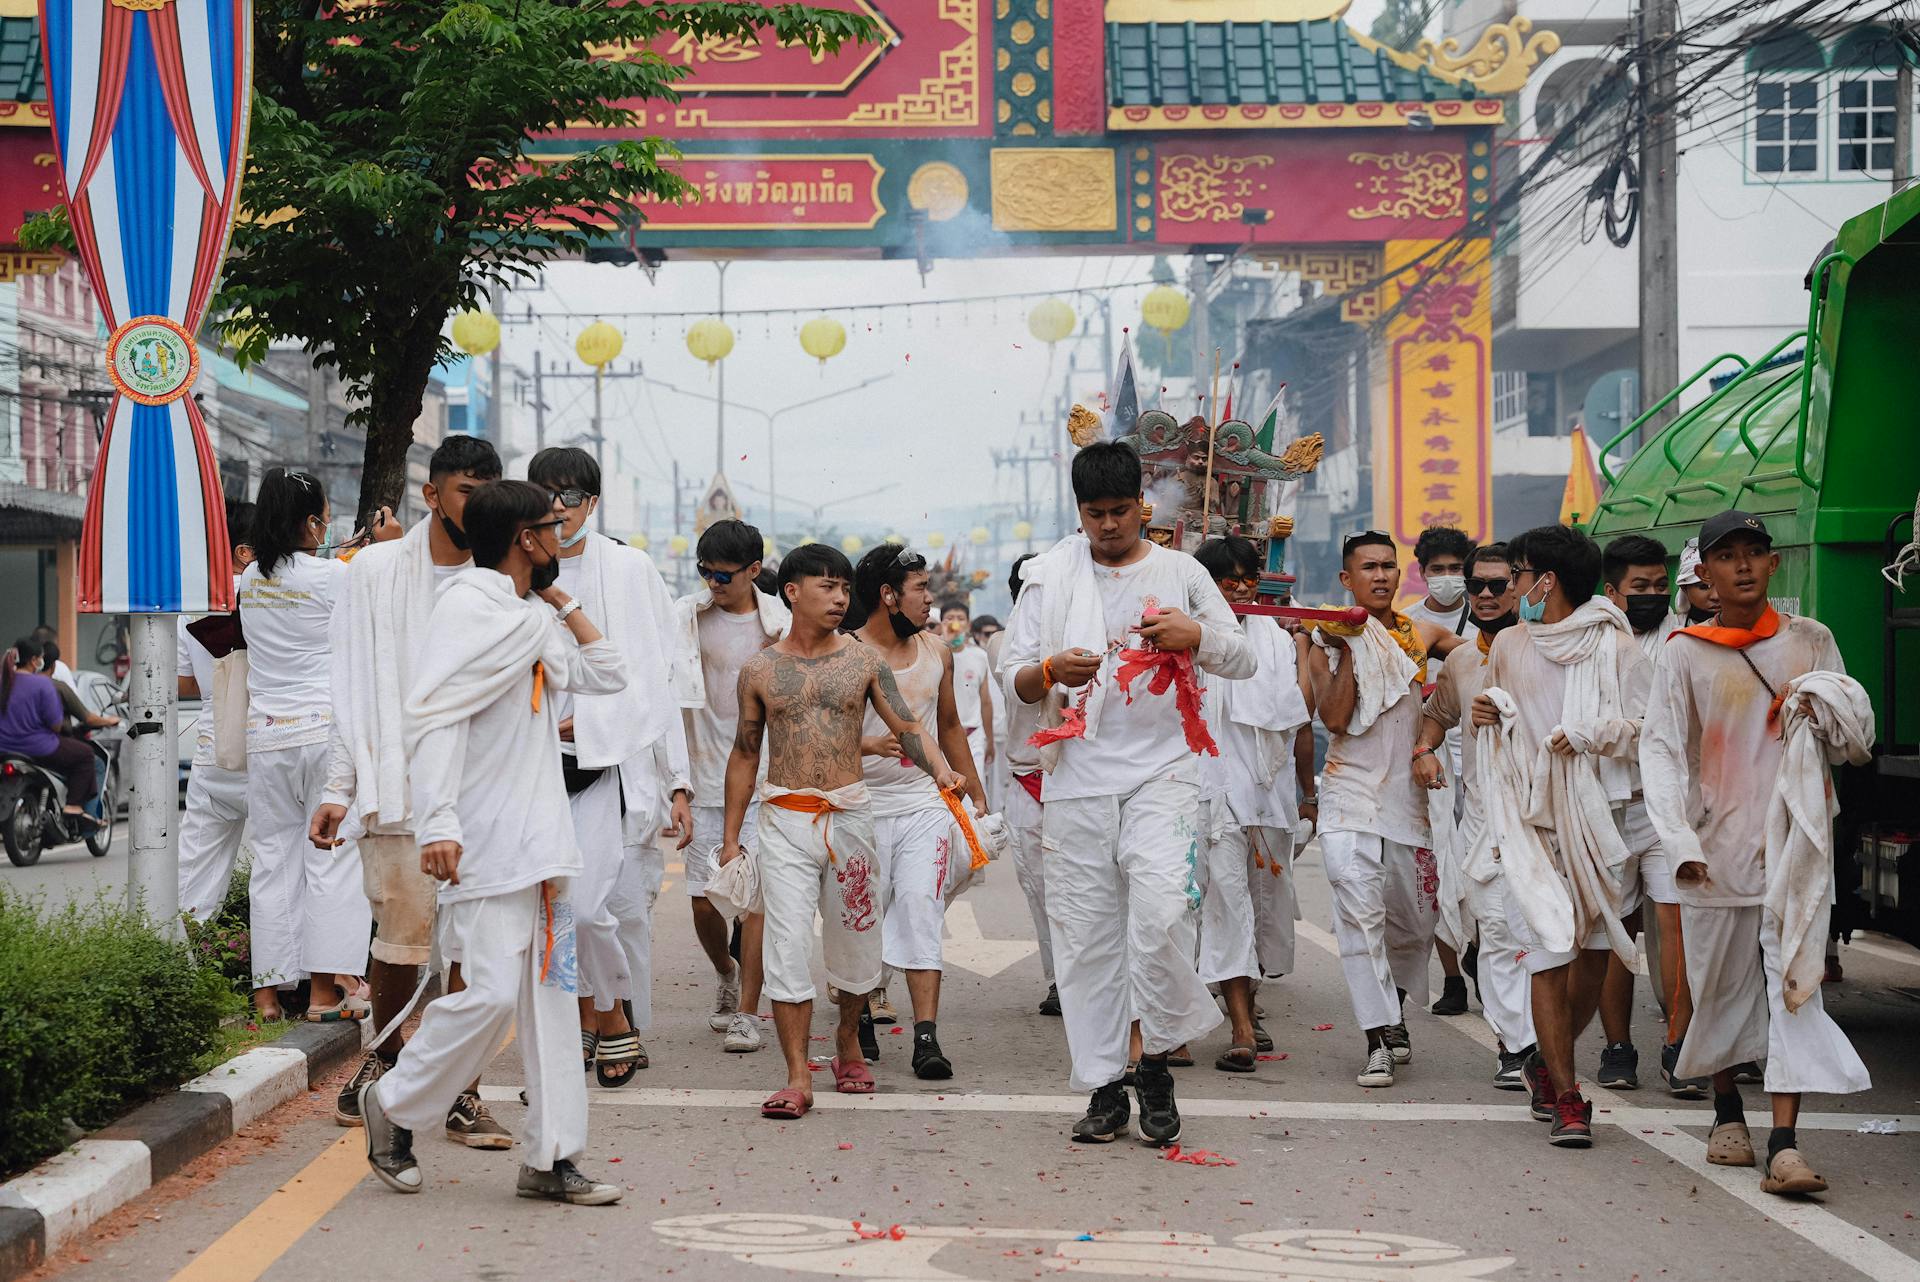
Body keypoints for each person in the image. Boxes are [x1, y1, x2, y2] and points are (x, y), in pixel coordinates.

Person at [359, 480, 628, 1205]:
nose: (563, 536)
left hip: (544, 846)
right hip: (481, 843)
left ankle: (551, 1157)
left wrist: (560, 605)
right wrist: (438, 821)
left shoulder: (525, 615)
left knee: (549, 1004)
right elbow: (437, 719)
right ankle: (392, 1105)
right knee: (485, 997)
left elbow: (608, 673)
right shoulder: (468, 612)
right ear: (525, 540)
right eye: (552, 527)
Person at [1003, 441, 1254, 1146]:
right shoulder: (1048, 578)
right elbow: (1015, 679)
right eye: (1094, 514)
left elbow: (1243, 654)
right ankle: (1109, 1086)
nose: (1107, 526)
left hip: (1164, 774)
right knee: (1086, 939)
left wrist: (1194, 633)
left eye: (1119, 512)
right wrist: (1050, 666)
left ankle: (1159, 1065)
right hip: (1077, 776)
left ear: (1140, 506)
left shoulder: (1182, 572)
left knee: (1163, 914)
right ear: (1078, 510)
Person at [1641, 510, 1871, 1197]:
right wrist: (1679, 839)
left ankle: (1786, 1144)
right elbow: (1658, 748)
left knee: (1793, 990)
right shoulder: (1684, 651)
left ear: (1774, 565)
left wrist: (1820, 711)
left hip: (1796, 848)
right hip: (1714, 853)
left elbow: (1853, 737)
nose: (1742, 566)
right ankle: (1726, 1112)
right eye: (1727, 556)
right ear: (1703, 574)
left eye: (1754, 553)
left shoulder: (1811, 641)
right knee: (1718, 989)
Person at [310, 437, 514, 1145]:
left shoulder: (502, 576)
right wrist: (340, 785)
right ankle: (389, 1058)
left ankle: (462, 1090)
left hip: (481, 789)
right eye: (466, 490)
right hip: (396, 786)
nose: (479, 504)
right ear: (432, 494)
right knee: (402, 941)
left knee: (471, 952)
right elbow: (349, 684)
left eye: (490, 490)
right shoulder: (372, 572)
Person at [716, 543, 963, 1120]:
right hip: (784, 818)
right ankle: (797, 1075)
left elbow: (908, 727)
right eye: (827, 587)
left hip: (851, 817)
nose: (840, 598)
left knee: (857, 944)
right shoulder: (761, 669)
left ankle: (849, 1039)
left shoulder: (863, 663)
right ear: (793, 592)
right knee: (786, 946)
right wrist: (733, 836)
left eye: (845, 588)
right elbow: (745, 753)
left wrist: (946, 774)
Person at [1473, 525, 1648, 1149]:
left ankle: (1546, 1063)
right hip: (1532, 821)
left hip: (1600, 822)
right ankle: (1570, 1099)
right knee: (1549, 948)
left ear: (1545, 581)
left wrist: (1589, 733)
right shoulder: (1509, 646)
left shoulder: (1618, 646)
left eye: (1516, 574)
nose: (1509, 586)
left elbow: (1645, 728)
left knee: (1593, 957)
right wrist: (1485, 713)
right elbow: (1490, 718)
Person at [527, 447, 692, 1086]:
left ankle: (613, 1014)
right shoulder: (515, 567)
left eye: (570, 497)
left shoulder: (629, 569)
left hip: (616, 766)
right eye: (546, 495)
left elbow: (656, 677)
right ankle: (582, 1030)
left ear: (592, 503)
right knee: (556, 910)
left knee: (609, 908)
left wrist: (677, 779)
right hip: (534, 765)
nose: (558, 509)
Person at [237, 468, 380, 1023]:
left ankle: (267, 997)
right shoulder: (332, 578)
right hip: (322, 732)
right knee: (330, 859)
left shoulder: (250, 579)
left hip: (266, 737)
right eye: (321, 515)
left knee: (272, 862)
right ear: (310, 522)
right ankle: (323, 994)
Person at [850, 548, 989, 1078]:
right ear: (888, 596)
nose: (930, 598)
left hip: (923, 805)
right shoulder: (847, 654)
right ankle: (858, 1014)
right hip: (858, 808)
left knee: (919, 907)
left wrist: (971, 788)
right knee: (860, 919)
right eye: (920, 588)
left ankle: (925, 1037)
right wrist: (870, 746)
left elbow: (948, 724)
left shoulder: (939, 651)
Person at [1307, 531, 1436, 1088]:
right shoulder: (1325, 639)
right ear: (1347, 580)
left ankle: (1396, 1008)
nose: (1381, 576)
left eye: (1388, 567)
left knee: (1415, 919)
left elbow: (1480, 659)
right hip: (1348, 793)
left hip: (1407, 798)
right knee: (1360, 914)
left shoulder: (1419, 634)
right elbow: (1334, 718)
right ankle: (1377, 1037)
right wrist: (1353, 644)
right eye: (1369, 568)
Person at [1414, 542, 1536, 1089]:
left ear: (1521, 585)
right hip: (1485, 820)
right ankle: (1515, 1047)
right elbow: (1437, 716)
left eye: (1498, 584)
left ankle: (1543, 1037)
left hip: (1546, 817)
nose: (1486, 595)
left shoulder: (1547, 649)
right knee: (1495, 925)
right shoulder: (1463, 660)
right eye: (1476, 586)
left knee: (1545, 937)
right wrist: (1423, 752)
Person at [1193, 535, 1313, 1072]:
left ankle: (1247, 1003)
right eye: (1227, 579)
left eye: (1248, 578)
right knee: (1225, 906)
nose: (1240, 588)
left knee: (1266, 909)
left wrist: (1307, 795)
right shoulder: (1186, 638)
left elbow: (1298, 720)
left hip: (1269, 797)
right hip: (1211, 794)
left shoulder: (1279, 639)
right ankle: (1240, 1026)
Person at [672, 518, 789, 1055]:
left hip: (764, 782)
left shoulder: (780, 627)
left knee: (756, 904)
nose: (712, 582)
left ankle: (747, 1012)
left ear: (754, 571)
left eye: (723, 574)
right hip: (704, 778)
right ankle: (726, 969)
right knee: (703, 904)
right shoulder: (685, 620)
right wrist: (675, 786)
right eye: (705, 572)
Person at [1595, 534, 1692, 1093]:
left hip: (1666, 807)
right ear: (1613, 591)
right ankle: (1617, 1047)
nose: (1653, 595)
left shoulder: (1683, 640)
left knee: (1675, 923)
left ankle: (1679, 1045)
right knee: (1616, 931)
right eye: (1641, 587)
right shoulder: (1591, 646)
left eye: (1661, 585)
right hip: (1606, 807)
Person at [1404, 526, 1475, 1014]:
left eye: (1456, 569)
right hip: (1430, 756)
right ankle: (1452, 975)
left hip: (1485, 753)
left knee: (1481, 865)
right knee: (1437, 862)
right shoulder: (1406, 624)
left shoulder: (1493, 620)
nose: (1448, 578)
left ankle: (1485, 962)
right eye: (1438, 570)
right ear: (1423, 573)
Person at [178, 501, 255, 922]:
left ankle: (179, 965)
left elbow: (182, 682)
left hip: (212, 746)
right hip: (267, 739)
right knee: (285, 863)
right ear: (244, 551)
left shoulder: (194, 601)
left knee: (197, 870)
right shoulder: (266, 594)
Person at [992, 555, 1058, 1016]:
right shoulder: (1002, 642)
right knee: (1041, 892)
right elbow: (1027, 679)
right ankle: (1059, 980)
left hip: (1074, 781)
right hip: (1027, 780)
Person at [0, 638, 100, 823]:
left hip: (4, 748)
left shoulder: (4, 681)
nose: (41, 662)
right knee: (85, 754)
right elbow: (55, 725)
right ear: (33, 660)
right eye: (40, 658)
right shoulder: (42, 684)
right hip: (39, 748)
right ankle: (73, 805)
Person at [941, 600, 995, 786]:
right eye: (949, 618)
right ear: (942, 624)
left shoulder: (979, 656)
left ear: (968, 624)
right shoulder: (936, 653)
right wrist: (945, 644)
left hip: (973, 736)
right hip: (943, 737)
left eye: (960, 618)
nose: (955, 622)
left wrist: (990, 739)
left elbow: (985, 701)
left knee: (975, 788)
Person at [1675, 538, 1717, 624]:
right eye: (1704, 587)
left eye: (1722, 585)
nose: (1716, 596)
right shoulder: (1671, 629)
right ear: (1684, 588)